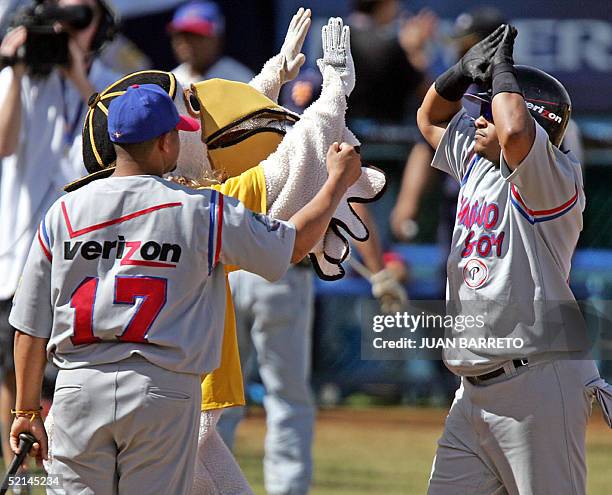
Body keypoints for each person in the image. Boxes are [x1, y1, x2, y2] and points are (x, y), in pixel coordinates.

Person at [8, 82, 363, 495]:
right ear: (165, 142)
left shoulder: (63, 212)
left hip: (77, 388)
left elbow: (29, 328)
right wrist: (336, 181)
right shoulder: (201, 209)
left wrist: (26, 409)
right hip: (162, 392)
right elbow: (292, 244)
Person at [417, 24, 612, 494]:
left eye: (490, 110)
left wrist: (504, 69)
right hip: (472, 390)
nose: (478, 120)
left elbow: (517, 133)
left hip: (537, 386)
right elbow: (429, 117)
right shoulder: (476, 160)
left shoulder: (554, 176)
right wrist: (462, 72)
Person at [0, 0, 119, 470]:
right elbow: (3, 143)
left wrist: (78, 78)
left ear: (101, 25)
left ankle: (72, 466)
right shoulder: (20, 80)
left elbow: (118, 145)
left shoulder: (108, 82)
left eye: (80, 17)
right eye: (58, 15)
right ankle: (18, 468)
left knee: (76, 371)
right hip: (15, 250)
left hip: (86, 253)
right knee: (11, 367)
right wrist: (11, 66)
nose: (67, 28)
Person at [169, 0, 253, 84]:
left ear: (217, 39)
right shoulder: (172, 81)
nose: (187, 43)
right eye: (182, 37)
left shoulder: (240, 80)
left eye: (196, 36)